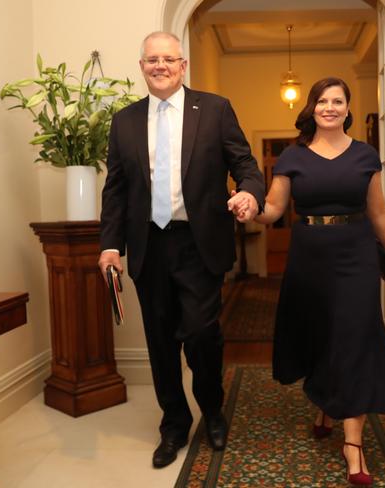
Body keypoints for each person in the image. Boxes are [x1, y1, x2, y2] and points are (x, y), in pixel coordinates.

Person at [98, 31, 264, 469]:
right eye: (152, 59)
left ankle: (211, 409)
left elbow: (245, 164)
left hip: (199, 243)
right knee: (159, 340)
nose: (160, 66)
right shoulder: (125, 121)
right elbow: (115, 189)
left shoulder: (214, 109)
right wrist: (110, 246)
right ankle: (173, 422)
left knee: (201, 334)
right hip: (148, 244)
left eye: (168, 58)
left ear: (183, 65)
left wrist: (248, 193)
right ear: (142, 67)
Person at [232, 77, 385, 486]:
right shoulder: (293, 156)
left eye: (337, 101)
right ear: (312, 108)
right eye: (322, 101)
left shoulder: (365, 155)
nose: (329, 107)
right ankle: (326, 402)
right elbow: (273, 209)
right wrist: (249, 207)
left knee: (354, 336)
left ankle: (353, 444)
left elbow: (378, 212)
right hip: (309, 256)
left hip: (356, 253)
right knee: (322, 334)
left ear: (347, 108)